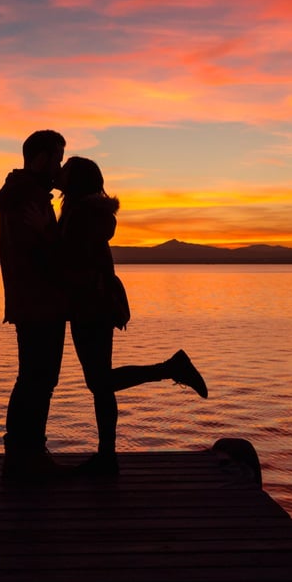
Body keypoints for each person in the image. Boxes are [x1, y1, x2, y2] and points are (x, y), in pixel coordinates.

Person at [57, 156, 208, 477]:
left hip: (89, 304)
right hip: (93, 303)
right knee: (101, 383)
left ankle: (172, 367)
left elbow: (72, 260)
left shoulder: (82, 215)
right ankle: (107, 457)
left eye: (65, 171)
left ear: (76, 181)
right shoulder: (88, 213)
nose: (60, 174)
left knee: (99, 381)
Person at [0, 130, 69, 481]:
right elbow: (37, 253)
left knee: (33, 378)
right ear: (38, 158)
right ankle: (29, 454)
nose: (59, 165)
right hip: (40, 301)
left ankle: (22, 453)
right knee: (40, 379)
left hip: (30, 300)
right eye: (56, 157)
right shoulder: (29, 197)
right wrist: (55, 238)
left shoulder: (23, 193)